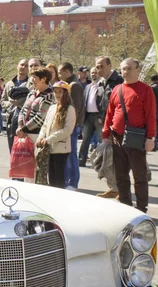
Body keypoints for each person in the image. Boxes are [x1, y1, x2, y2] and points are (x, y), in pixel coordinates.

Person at [102, 58, 156, 214]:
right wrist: (106, 133)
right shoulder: (117, 89)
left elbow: (151, 115)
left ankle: (141, 208)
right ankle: (125, 205)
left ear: (138, 70)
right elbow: (110, 114)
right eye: (123, 69)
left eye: (129, 68)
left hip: (136, 137)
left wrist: (150, 138)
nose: (125, 72)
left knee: (139, 176)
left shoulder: (146, 90)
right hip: (116, 137)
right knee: (121, 175)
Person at [16, 67, 55, 182]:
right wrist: (19, 126)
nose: (32, 79)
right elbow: (22, 111)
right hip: (25, 135)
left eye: (35, 77)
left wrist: (24, 129)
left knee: (36, 168)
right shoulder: (31, 93)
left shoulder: (49, 95)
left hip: (37, 136)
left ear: (43, 79)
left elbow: (40, 117)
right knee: (25, 167)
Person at [35, 81, 76, 188]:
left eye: (60, 92)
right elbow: (45, 125)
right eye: (55, 92)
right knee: (51, 177)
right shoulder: (52, 108)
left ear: (66, 93)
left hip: (61, 149)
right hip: (49, 147)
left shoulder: (70, 109)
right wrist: (40, 138)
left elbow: (67, 130)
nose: (57, 94)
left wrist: (48, 139)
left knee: (59, 178)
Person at [95, 55, 124, 198]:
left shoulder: (119, 81)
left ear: (109, 65)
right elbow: (101, 103)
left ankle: (120, 189)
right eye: (97, 66)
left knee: (119, 158)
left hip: (118, 126)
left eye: (101, 66)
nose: (99, 69)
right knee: (103, 157)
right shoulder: (100, 83)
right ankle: (114, 187)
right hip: (105, 125)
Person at [58, 62, 85, 191]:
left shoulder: (74, 86)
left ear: (66, 71)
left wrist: (71, 124)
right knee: (67, 153)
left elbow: (77, 108)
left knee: (71, 154)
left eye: (60, 72)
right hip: (69, 124)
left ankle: (73, 183)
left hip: (73, 125)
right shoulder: (68, 85)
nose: (58, 75)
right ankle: (67, 181)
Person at [2, 59, 31, 151]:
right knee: (12, 150)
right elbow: (2, 100)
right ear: (17, 66)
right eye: (22, 65)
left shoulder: (31, 84)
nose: (23, 67)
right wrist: (10, 103)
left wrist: (19, 102)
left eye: (26, 66)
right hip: (10, 120)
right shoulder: (9, 84)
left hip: (24, 121)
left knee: (24, 152)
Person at [79, 67, 105, 167]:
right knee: (85, 140)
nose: (94, 74)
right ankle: (81, 160)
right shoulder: (88, 87)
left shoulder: (102, 86)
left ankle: (102, 162)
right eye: (92, 73)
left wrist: (102, 116)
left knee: (102, 140)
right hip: (88, 117)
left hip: (98, 117)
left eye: (96, 73)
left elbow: (104, 103)